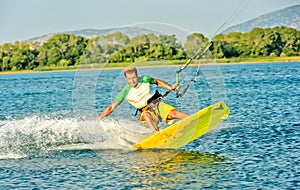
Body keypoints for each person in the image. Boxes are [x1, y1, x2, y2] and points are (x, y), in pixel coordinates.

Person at [97, 66, 188, 131]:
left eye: (134, 77)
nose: (132, 81)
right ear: (126, 79)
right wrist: (99, 119)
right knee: (146, 115)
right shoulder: (125, 92)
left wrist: (170, 87)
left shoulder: (144, 79)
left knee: (174, 113)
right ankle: (156, 135)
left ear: (137, 75)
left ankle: (194, 120)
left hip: (157, 105)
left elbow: (157, 82)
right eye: (129, 78)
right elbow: (111, 107)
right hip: (146, 112)